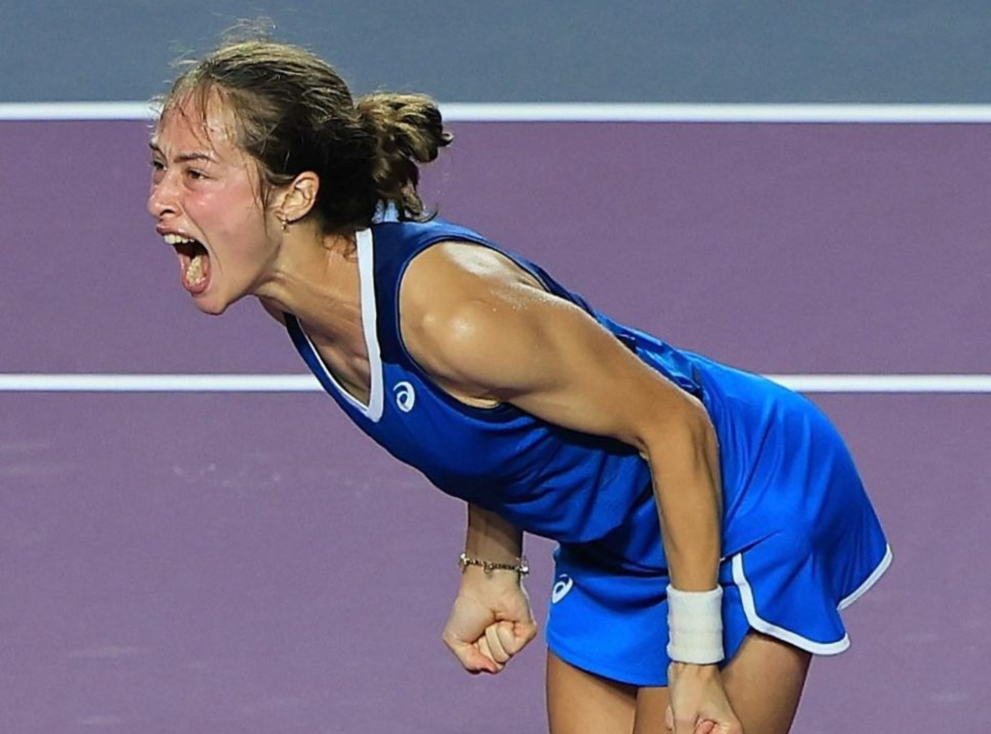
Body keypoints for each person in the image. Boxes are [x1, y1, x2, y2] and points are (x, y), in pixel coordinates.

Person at [147, 38, 890, 734]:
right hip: (618, 535)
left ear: (293, 195)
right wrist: (492, 562)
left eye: (196, 172)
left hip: (739, 496)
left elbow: (676, 426)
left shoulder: (453, 312)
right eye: (159, 167)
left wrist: (693, 657)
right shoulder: (303, 307)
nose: (160, 199)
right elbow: (488, 422)